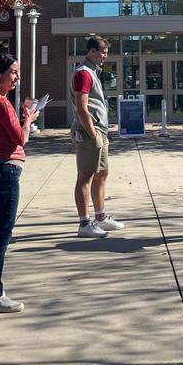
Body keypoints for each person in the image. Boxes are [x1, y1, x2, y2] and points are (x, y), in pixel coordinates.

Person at [0, 54, 39, 312]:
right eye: (13, 72)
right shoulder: (0, 103)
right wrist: (29, 119)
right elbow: (21, 139)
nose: (17, 77)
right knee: (1, 235)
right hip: (5, 173)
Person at [68, 35, 125, 238]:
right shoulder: (83, 73)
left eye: (106, 52)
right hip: (89, 131)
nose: (104, 56)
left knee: (102, 173)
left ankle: (101, 217)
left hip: (100, 130)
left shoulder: (93, 72)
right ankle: (84, 223)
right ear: (91, 51)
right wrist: (92, 134)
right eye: (102, 52)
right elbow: (82, 108)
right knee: (85, 176)